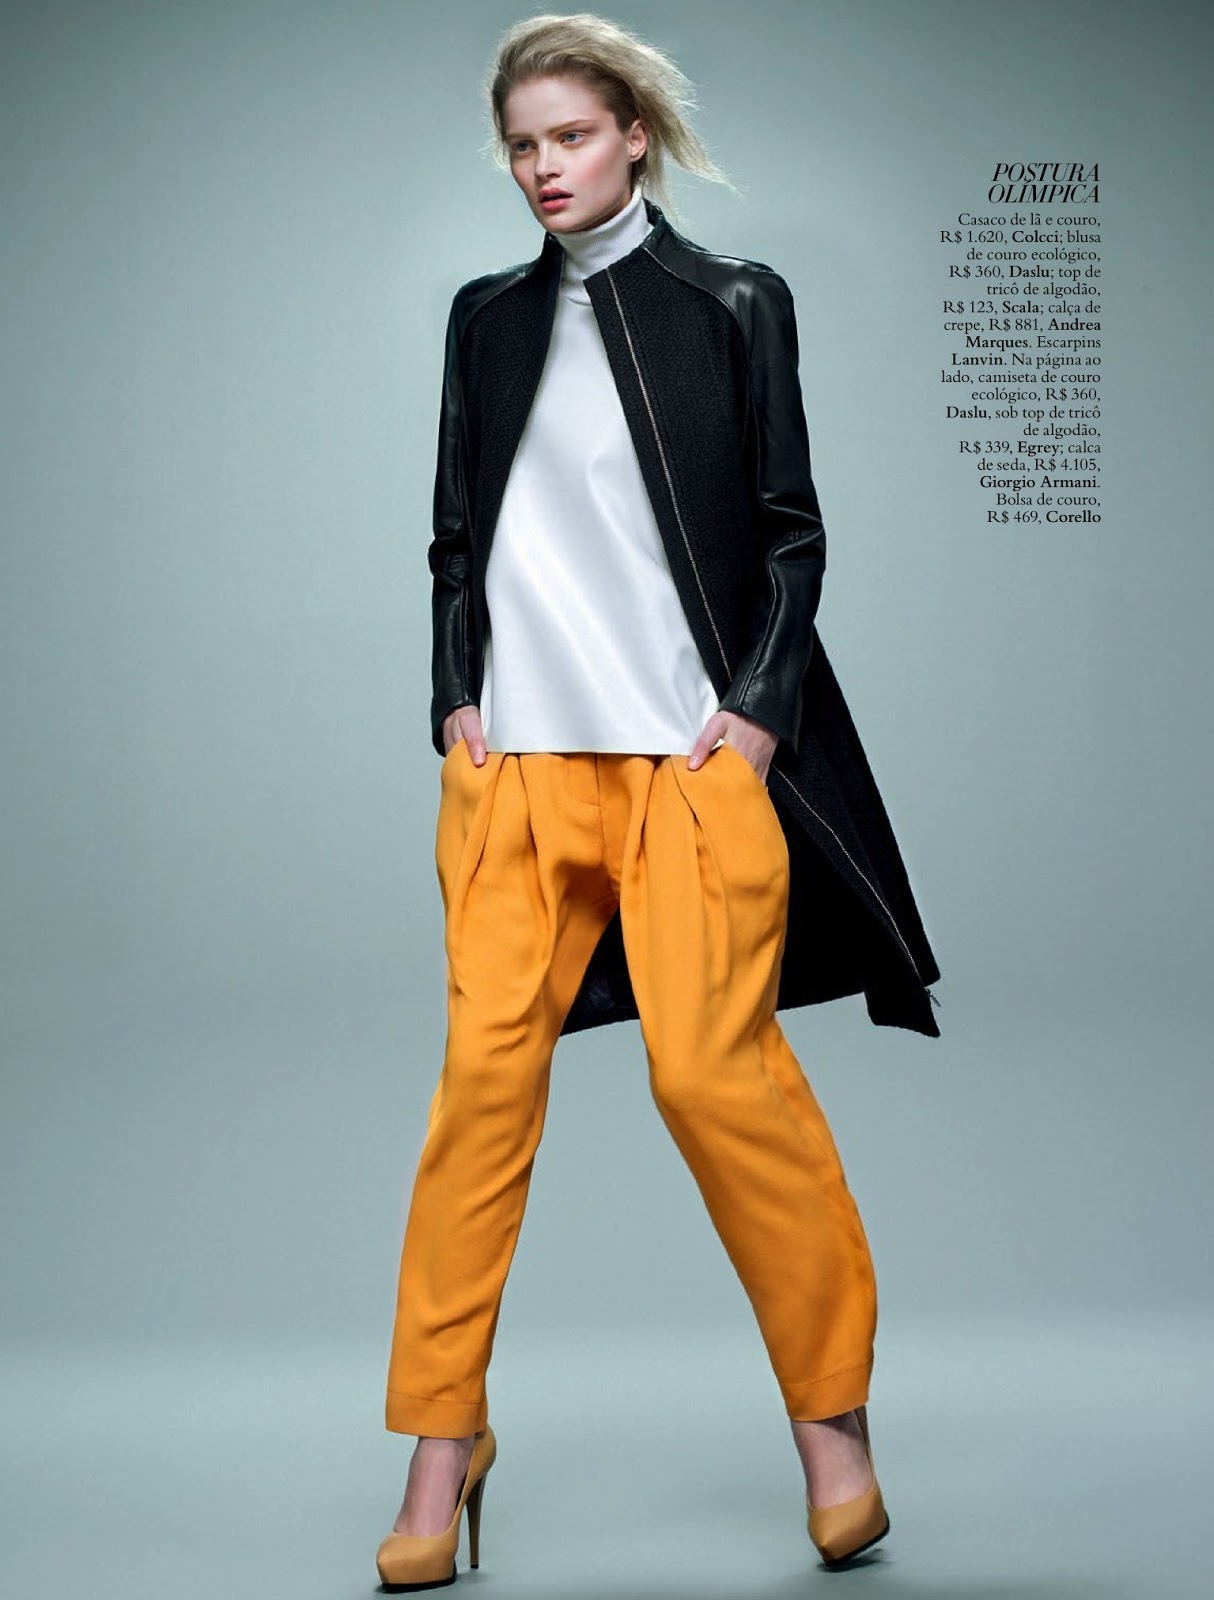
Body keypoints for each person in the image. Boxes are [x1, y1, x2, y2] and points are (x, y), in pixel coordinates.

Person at [375, 11, 941, 1590]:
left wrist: (753, 716)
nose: (542, 167)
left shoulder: (732, 303)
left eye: (569, 135)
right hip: (514, 775)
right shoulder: (485, 320)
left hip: (683, 769)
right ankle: (440, 1447)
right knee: (477, 1102)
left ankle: (833, 1426)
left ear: (633, 132)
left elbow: (790, 533)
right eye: (521, 145)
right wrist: (455, 701)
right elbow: (452, 540)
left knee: (713, 1083)